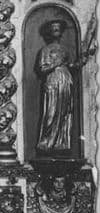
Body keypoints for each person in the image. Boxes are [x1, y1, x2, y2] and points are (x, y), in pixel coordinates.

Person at [35, 19, 74, 153]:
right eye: (53, 28)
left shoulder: (65, 50)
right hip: (52, 81)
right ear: (49, 32)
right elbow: (42, 69)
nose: (56, 30)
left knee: (64, 112)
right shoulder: (45, 50)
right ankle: (46, 143)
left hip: (66, 80)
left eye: (58, 28)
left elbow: (71, 66)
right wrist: (56, 64)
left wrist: (83, 59)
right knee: (51, 113)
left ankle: (61, 143)